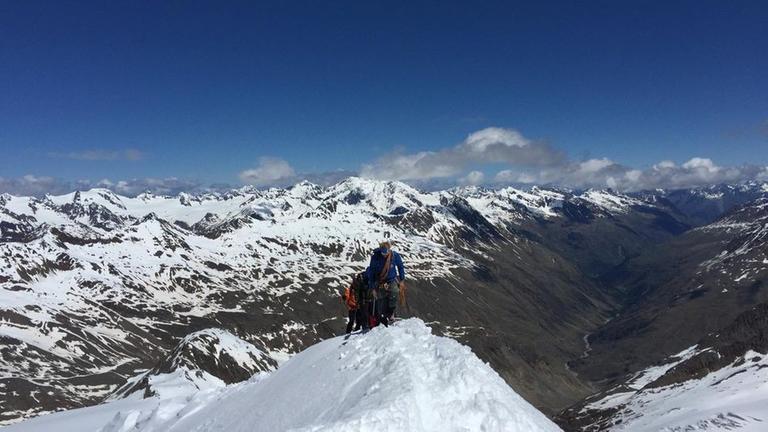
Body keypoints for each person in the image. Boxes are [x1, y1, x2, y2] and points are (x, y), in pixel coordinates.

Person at [367, 240, 405, 327]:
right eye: (383, 253)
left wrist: (402, 279)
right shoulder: (375, 257)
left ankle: (391, 313)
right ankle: (383, 318)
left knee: (394, 293)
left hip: (391, 280)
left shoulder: (394, 256)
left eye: (386, 253)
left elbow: (400, 267)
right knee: (381, 299)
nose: (384, 255)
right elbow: (371, 272)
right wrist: (372, 287)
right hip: (380, 281)